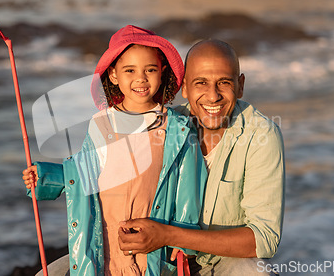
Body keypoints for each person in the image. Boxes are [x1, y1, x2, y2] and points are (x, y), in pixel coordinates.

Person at [22, 25, 207, 276]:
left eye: (150, 70)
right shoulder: (101, 124)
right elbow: (83, 172)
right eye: (129, 70)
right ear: (113, 75)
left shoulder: (177, 129)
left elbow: (188, 188)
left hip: (152, 246)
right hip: (105, 245)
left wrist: (182, 242)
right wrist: (44, 176)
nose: (140, 78)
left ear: (162, 73)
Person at [118, 39, 285, 275]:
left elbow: (264, 239)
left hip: (224, 261)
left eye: (224, 83)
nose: (213, 96)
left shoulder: (262, 134)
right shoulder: (164, 125)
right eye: (201, 83)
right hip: (156, 259)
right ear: (184, 87)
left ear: (240, 85)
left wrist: (167, 235)